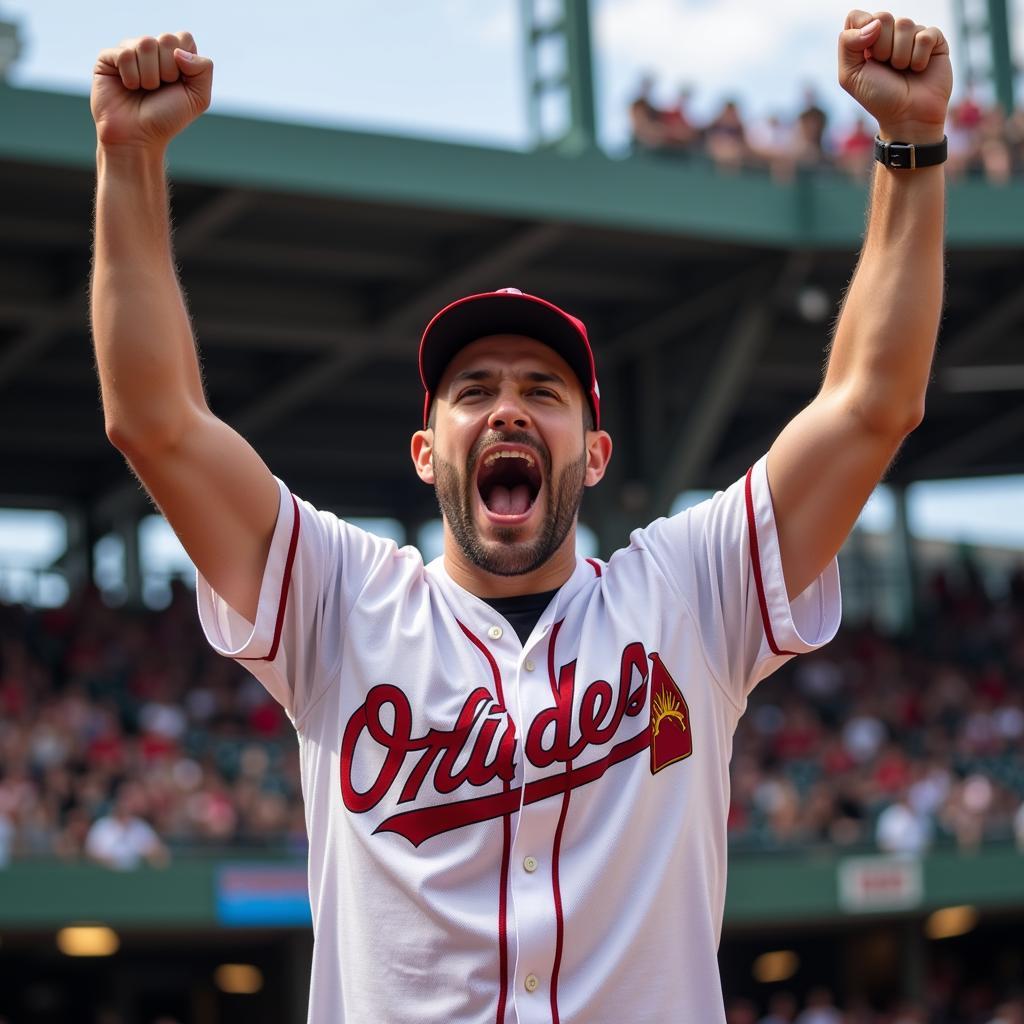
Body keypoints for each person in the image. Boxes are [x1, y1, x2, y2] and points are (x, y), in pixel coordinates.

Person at [88, 13, 951, 1023]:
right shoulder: (339, 599)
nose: (506, 405)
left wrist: (911, 151)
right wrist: (128, 157)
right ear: (425, 453)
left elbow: (870, 403)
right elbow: (154, 423)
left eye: (543, 390)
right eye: (472, 391)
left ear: (593, 454)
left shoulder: (688, 590)